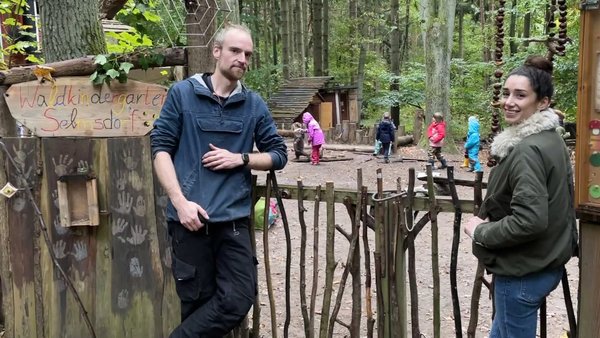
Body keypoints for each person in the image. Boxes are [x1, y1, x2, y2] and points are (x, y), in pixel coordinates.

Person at [150, 23, 288, 338]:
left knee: (239, 297)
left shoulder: (253, 105)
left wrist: (240, 158)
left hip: (233, 222)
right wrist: (180, 203)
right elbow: (160, 150)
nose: (243, 59)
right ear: (216, 52)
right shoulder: (183, 94)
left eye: (248, 54)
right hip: (188, 222)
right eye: (235, 51)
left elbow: (278, 154)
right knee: (196, 304)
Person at [463, 56, 577, 338]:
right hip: (540, 264)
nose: (509, 102)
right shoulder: (551, 139)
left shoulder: (528, 150)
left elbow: (530, 220)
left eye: (520, 95)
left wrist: (481, 231)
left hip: (523, 272)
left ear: (543, 103)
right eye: (506, 93)